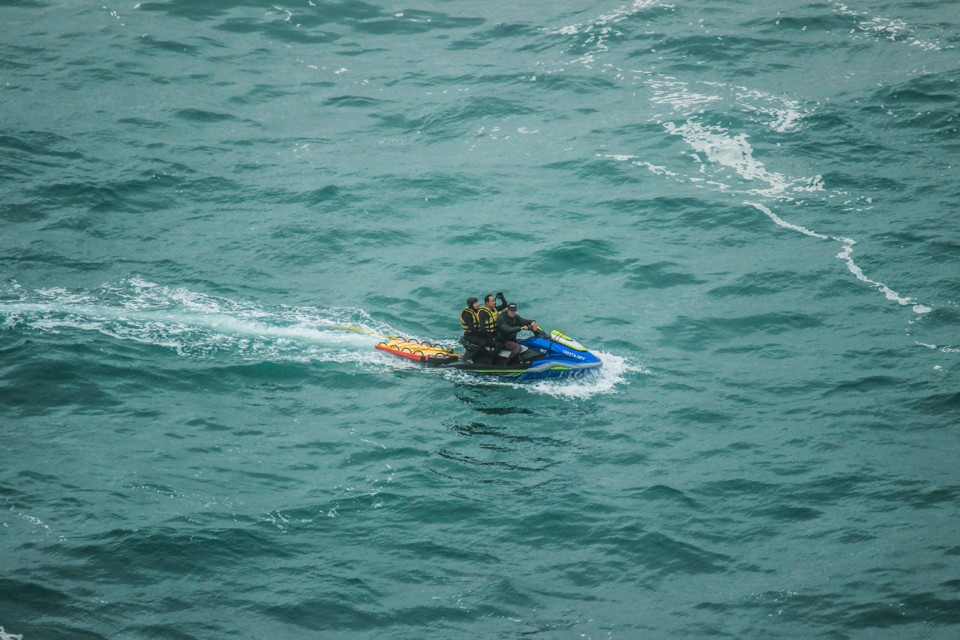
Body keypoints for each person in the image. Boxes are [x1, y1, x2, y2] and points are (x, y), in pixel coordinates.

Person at [458, 296, 483, 362]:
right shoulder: (466, 314)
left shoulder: (478, 311)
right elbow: (472, 328)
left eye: (477, 302)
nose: (477, 304)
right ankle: (471, 358)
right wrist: (482, 334)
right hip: (469, 335)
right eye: (475, 303)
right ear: (470, 305)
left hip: (476, 333)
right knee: (482, 342)